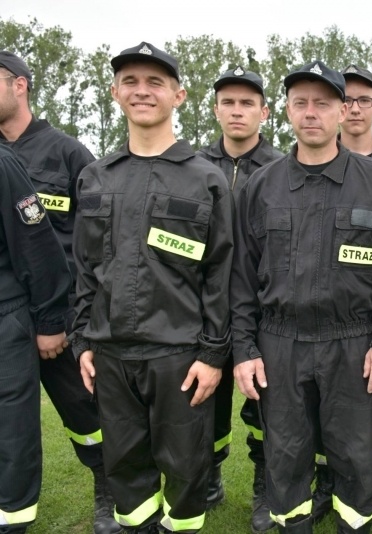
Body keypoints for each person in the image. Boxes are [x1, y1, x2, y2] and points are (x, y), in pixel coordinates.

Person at [230, 60, 372, 534]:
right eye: (301, 103)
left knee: (357, 460)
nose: (311, 113)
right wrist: (244, 350)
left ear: (341, 110)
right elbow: (243, 279)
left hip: (353, 343)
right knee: (285, 459)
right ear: (286, 110)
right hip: (279, 344)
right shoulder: (260, 186)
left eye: (323, 103)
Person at [72, 42, 234, 534]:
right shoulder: (95, 178)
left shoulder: (206, 178)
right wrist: (83, 339)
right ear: (116, 92)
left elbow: (222, 272)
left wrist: (211, 354)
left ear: (178, 95)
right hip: (111, 352)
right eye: (131, 81)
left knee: (186, 470)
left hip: (179, 355)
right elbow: (83, 267)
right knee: (124, 466)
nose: (142, 91)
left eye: (155, 82)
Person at [0, 50, 118, 534]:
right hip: (10, 312)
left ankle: (109, 486)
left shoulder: (67, 153)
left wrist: (70, 317)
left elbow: (101, 237)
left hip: (61, 315)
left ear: (20, 85)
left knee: (84, 412)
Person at [305, 62, 372, 534]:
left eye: (363, 100)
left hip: (370, 324)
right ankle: (327, 485)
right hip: (314, 324)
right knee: (314, 414)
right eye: (344, 99)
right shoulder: (300, 165)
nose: (353, 108)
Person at [197, 65, 282, 534]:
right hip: (201, 310)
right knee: (202, 403)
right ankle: (206, 477)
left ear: (264, 112)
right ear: (215, 109)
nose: (236, 110)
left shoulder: (281, 169)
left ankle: (265, 488)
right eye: (228, 102)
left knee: (262, 406)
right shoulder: (191, 165)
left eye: (247, 103)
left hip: (260, 310)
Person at [0, 144, 71, 533]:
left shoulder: (3, 163)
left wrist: (50, 321)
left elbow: (39, 248)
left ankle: (12, 517)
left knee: (10, 424)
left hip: (5, 313)